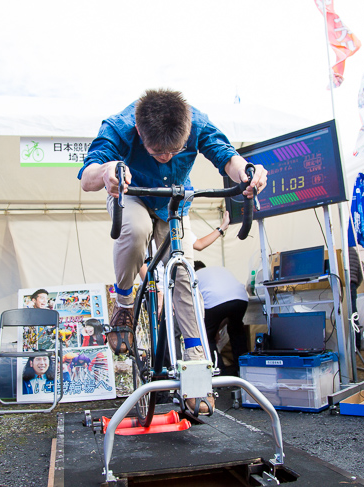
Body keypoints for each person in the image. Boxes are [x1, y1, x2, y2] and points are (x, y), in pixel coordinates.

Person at [78, 89, 267, 414]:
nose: (165, 157)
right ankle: (124, 304)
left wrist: (248, 172)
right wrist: (107, 171)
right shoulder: (121, 125)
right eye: (156, 151)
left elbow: (227, 157)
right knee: (136, 230)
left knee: (183, 274)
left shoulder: (198, 123)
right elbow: (87, 176)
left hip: (173, 199)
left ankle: (196, 371)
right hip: (131, 192)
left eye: (174, 151)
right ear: (140, 132)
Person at [194, 261, 248, 376]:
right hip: (241, 298)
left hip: (215, 301)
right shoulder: (218, 270)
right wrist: (216, 329)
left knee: (207, 338)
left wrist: (213, 332)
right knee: (237, 332)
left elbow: (200, 309)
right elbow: (226, 306)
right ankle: (244, 371)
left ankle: (219, 374)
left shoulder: (194, 277)